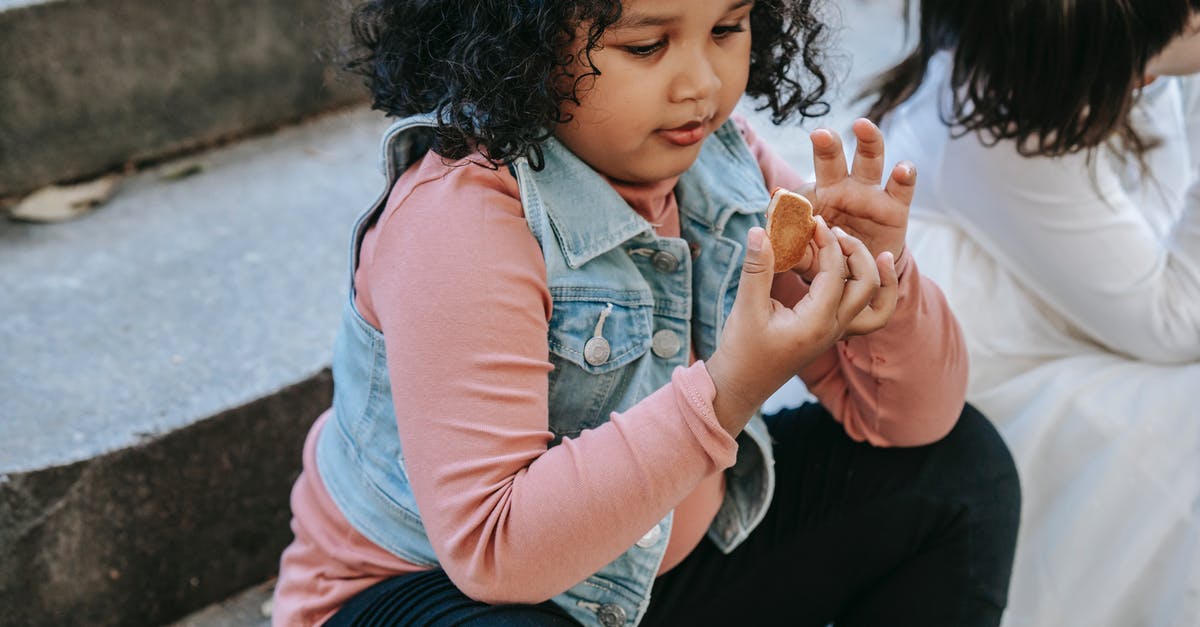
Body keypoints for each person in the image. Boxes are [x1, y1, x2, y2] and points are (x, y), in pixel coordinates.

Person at [271, 0, 1021, 625]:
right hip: (436, 594)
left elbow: (912, 420)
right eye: (647, 44)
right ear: (521, 42)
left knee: (960, 473)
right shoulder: (461, 219)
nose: (701, 81)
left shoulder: (725, 159)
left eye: (727, 29)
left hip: (655, 567)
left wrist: (880, 289)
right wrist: (727, 393)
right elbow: (493, 549)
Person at [864, 1, 1200, 625]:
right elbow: (1175, 321)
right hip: (984, 385)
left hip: (1070, 321)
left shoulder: (1069, 68)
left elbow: (1156, 219)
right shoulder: (1008, 134)